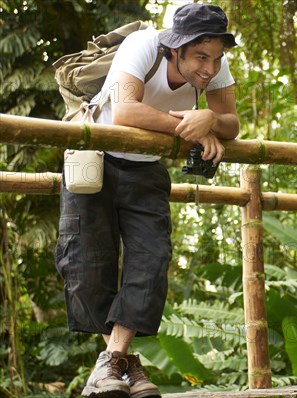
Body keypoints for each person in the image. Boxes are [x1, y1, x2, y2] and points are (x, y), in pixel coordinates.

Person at [54, 4, 239, 398]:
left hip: (146, 168)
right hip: (96, 160)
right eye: (201, 57)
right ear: (176, 49)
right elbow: (124, 111)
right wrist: (194, 123)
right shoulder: (143, 45)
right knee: (85, 267)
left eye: (217, 57)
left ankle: (110, 365)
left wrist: (209, 120)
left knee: (151, 261)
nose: (209, 68)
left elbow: (231, 123)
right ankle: (126, 363)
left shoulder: (215, 67)